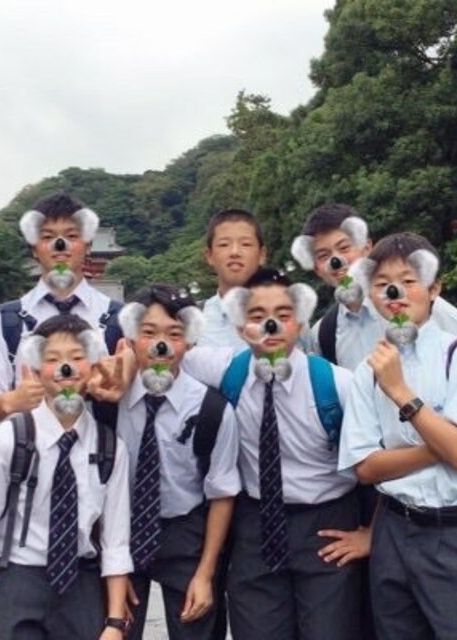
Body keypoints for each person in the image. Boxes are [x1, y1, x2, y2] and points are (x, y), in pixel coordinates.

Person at [182, 268, 364, 640]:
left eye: (283, 315)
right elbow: (167, 355)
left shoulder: (338, 385)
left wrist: (373, 533)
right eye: (256, 316)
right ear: (239, 328)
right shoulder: (228, 370)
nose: (270, 325)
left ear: (301, 323)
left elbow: (384, 454)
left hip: (327, 525)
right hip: (255, 525)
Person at [338, 232, 457, 640]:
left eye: (409, 281)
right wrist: (443, 446)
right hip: (392, 528)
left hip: (453, 530)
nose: (394, 292)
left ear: (434, 289)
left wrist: (400, 392)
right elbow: (365, 468)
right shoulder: (366, 373)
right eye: (382, 283)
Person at [0, 314, 133, 640]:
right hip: (17, 578)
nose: (66, 368)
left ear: (94, 367)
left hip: (81, 583)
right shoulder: (6, 442)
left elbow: (116, 541)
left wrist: (114, 622)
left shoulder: (110, 447)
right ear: (35, 370)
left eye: (77, 357)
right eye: (52, 360)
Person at [291, 202, 457, 397]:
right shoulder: (323, 334)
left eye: (344, 248)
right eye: (323, 255)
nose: (336, 261)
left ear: (367, 248)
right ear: (316, 268)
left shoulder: (411, 304)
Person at [116, 284, 241, 640]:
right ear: (131, 338)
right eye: (149, 333)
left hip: (187, 533)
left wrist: (205, 573)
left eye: (174, 334)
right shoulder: (110, 401)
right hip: (120, 531)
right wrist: (111, 570)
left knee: (195, 627)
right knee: (116, 628)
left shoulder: (212, 409)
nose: (161, 345)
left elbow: (221, 493)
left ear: (189, 341)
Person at [0, 191, 127, 425]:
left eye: (71, 235)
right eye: (47, 236)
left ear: (88, 245)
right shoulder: (5, 320)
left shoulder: (119, 318)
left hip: (101, 445)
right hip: (28, 445)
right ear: (34, 248)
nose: (60, 245)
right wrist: (11, 401)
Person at [198, 208, 267, 349]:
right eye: (224, 244)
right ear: (209, 256)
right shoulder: (193, 320)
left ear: (262, 255)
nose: (235, 252)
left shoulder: (288, 318)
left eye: (245, 244)